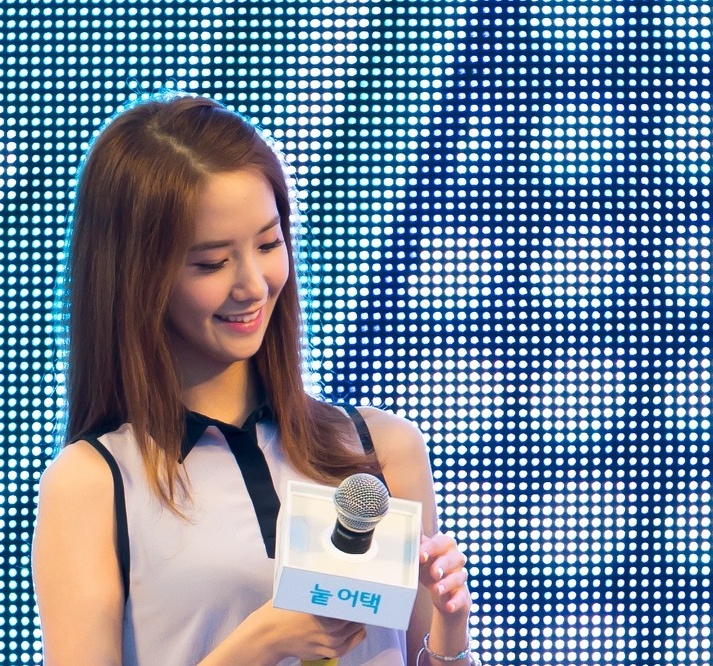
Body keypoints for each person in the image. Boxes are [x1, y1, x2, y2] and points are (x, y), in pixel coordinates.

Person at [32, 94, 475, 666]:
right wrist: (258, 644)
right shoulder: (94, 483)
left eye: (268, 244)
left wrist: (450, 634)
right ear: (138, 277)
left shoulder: (382, 448)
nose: (254, 285)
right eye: (212, 262)